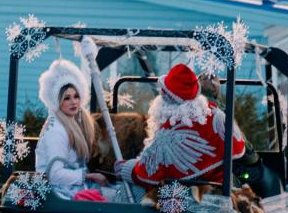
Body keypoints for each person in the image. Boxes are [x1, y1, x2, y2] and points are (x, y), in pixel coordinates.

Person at [115, 63, 246, 189]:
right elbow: (240, 149)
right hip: (222, 187)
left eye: (163, 91)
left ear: (168, 98)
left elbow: (146, 175)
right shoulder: (217, 116)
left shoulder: (168, 134)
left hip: (183, 195)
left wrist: (126, 168)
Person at [35, 59, 110, 198]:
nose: (73, 102)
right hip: (59, 194)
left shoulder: (72, 123)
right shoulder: (56, 131)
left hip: (73, 188)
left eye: (76, 96)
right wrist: (88, 176)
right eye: (67, 98)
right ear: (57, 101)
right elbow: (54, 175)